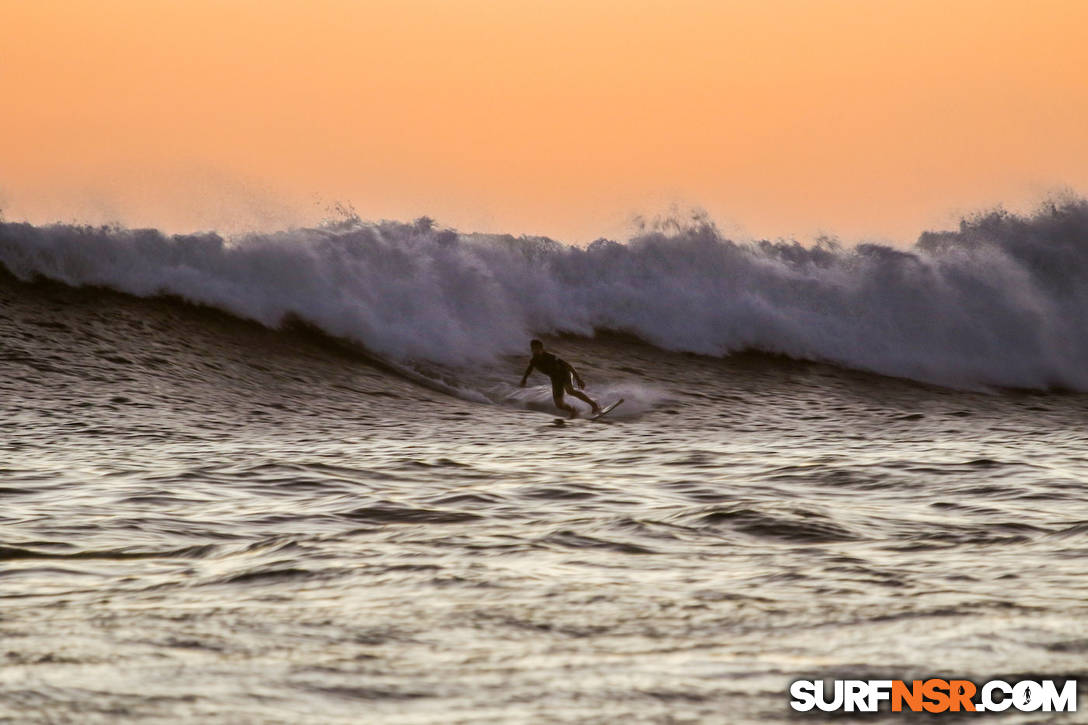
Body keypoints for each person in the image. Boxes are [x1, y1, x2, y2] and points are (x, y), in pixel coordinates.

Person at [519, 339, 601, 418]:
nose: (536, 350)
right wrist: (524, 379)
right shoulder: (533, 361)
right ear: (531, 349)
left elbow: (568, 365)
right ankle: (573, 411)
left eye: (537, 348)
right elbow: (529, 370)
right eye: (534, 349)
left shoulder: (550, 357)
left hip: (564, 373)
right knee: (559, 404)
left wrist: (578, 379)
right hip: (555, 379)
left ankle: (594, 405)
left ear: (542, 349)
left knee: (570, 391)